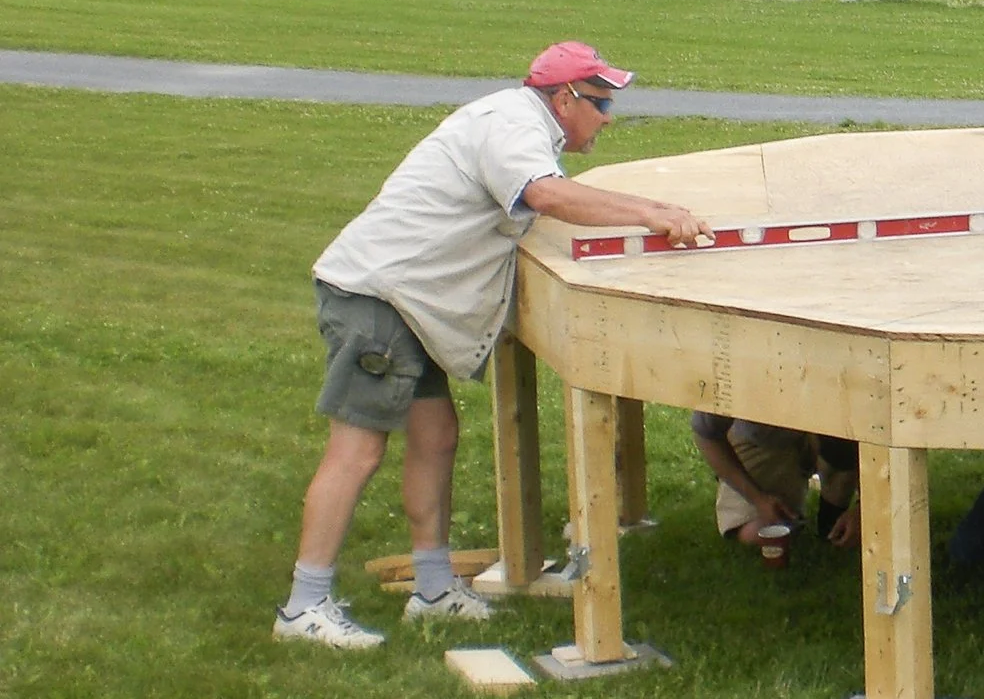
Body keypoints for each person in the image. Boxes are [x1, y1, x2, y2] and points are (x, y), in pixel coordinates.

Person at [274, 43, 710, 648]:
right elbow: (547, 196)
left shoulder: (524, 126)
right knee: (356, 452)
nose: (609, 116)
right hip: (378, 299)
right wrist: (651, 213)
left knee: (436, 437)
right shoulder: (509, 126)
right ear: (565, 99)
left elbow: (546, 193)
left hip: (407, 305)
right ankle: (304, 606)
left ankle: (432, 590)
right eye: (602, 102)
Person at [690, 412, 860, 547]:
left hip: (844, 433)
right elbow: (706, 434)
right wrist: (758, 499)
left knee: (841, 453)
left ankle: (832, 525)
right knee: (760, 532)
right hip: (767, 441)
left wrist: (864, 512)